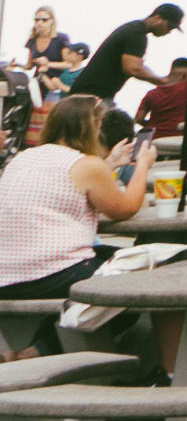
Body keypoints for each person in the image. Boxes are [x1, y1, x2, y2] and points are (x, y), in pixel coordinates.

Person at [0, 95, 157, 353]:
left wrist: (109, 163)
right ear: (91, 128)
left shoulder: (22, 158)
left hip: (6, 274)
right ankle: (38, 351)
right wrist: (142, 165)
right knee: (131, 291)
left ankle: (33, 350)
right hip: (54, 271)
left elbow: (68, 183)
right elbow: (125, 208)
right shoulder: (87, 165)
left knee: (114, 265)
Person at [67, 1, 183, 107]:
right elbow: (133, 69)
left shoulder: (134, 29)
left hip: (90, 92)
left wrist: (161, 79)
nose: (169, 31)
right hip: (91, 94)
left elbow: (138, 66)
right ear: (157, 18)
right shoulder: (137, 34)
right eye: (170, 26)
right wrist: (162, 81)